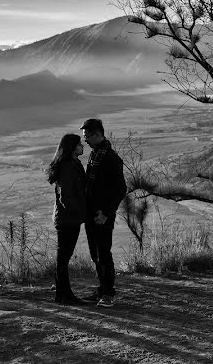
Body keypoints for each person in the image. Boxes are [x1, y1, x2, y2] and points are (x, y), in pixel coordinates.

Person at [81, 118, 127, 308]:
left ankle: (108, 294)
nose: (85, 140)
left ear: (98, 134)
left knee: (103, 254)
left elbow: (120, 189)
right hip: (92, 213)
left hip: (102, 215)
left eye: (87, 136)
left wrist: (106, 213)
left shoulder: (111, 158)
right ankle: (102, 289)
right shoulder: (95, 155)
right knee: (95, 254)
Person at [47, 133, 86, 305]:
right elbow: (66, 198)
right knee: (63, 258)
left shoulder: (73, 164)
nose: (82, 146)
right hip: (67, 219)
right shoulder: (68, 167)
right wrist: (81, 212)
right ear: (71, 147)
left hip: (69, 218)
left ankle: (63, 294)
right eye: (79, 144)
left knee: (63, 257)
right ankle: (64, 295)